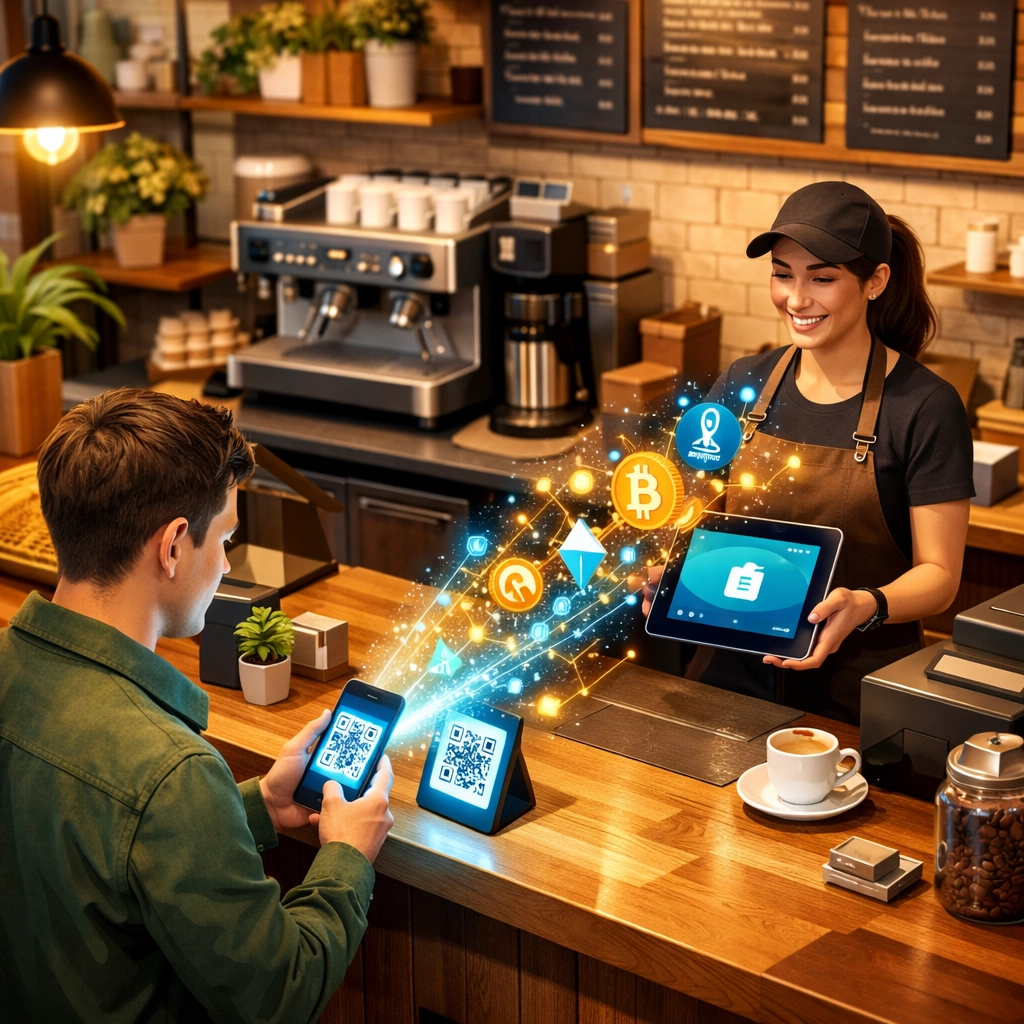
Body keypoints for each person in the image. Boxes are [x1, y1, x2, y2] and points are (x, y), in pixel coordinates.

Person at [0, 389, 394, 1023]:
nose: (228, 561)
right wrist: (347, 857)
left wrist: (254, 807)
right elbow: (280, 992)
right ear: (174, 545)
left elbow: (101, 838)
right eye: (226, 537)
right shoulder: (170, 771)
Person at [645, 181, 974, 723]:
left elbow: (939, 575)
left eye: (822, 278)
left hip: (857, 696)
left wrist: (868, 603)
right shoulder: (741, 384)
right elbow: (694, 522)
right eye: (782, 274)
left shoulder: (925, 406)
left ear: (876, 282)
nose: (797, 299)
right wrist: (671, 574)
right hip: (725, 684)